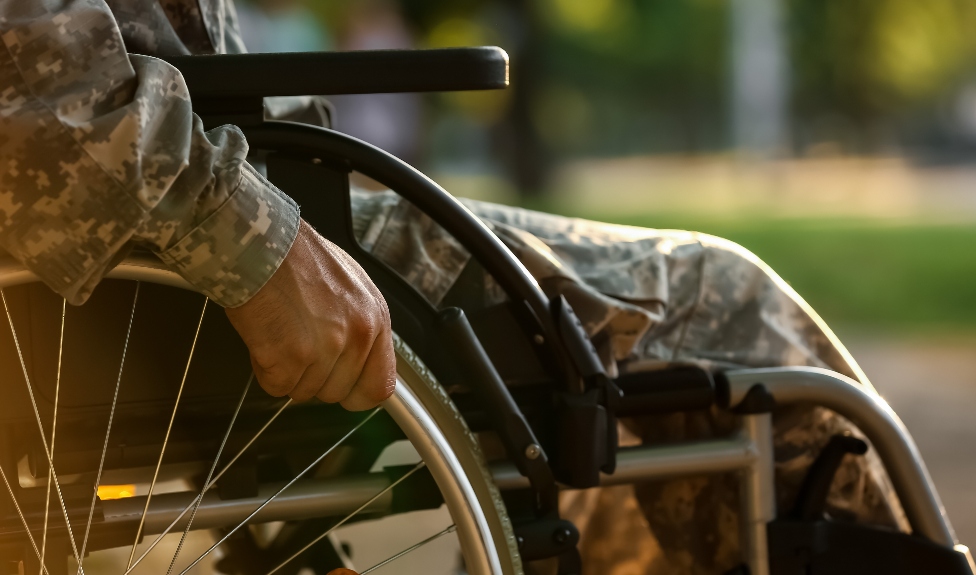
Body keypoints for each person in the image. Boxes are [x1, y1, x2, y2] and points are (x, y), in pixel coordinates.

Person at [0, 1, 904, 573]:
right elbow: (39, 87)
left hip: (129, 244)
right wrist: (251, 239)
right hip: (158, 238)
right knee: (722, 301)